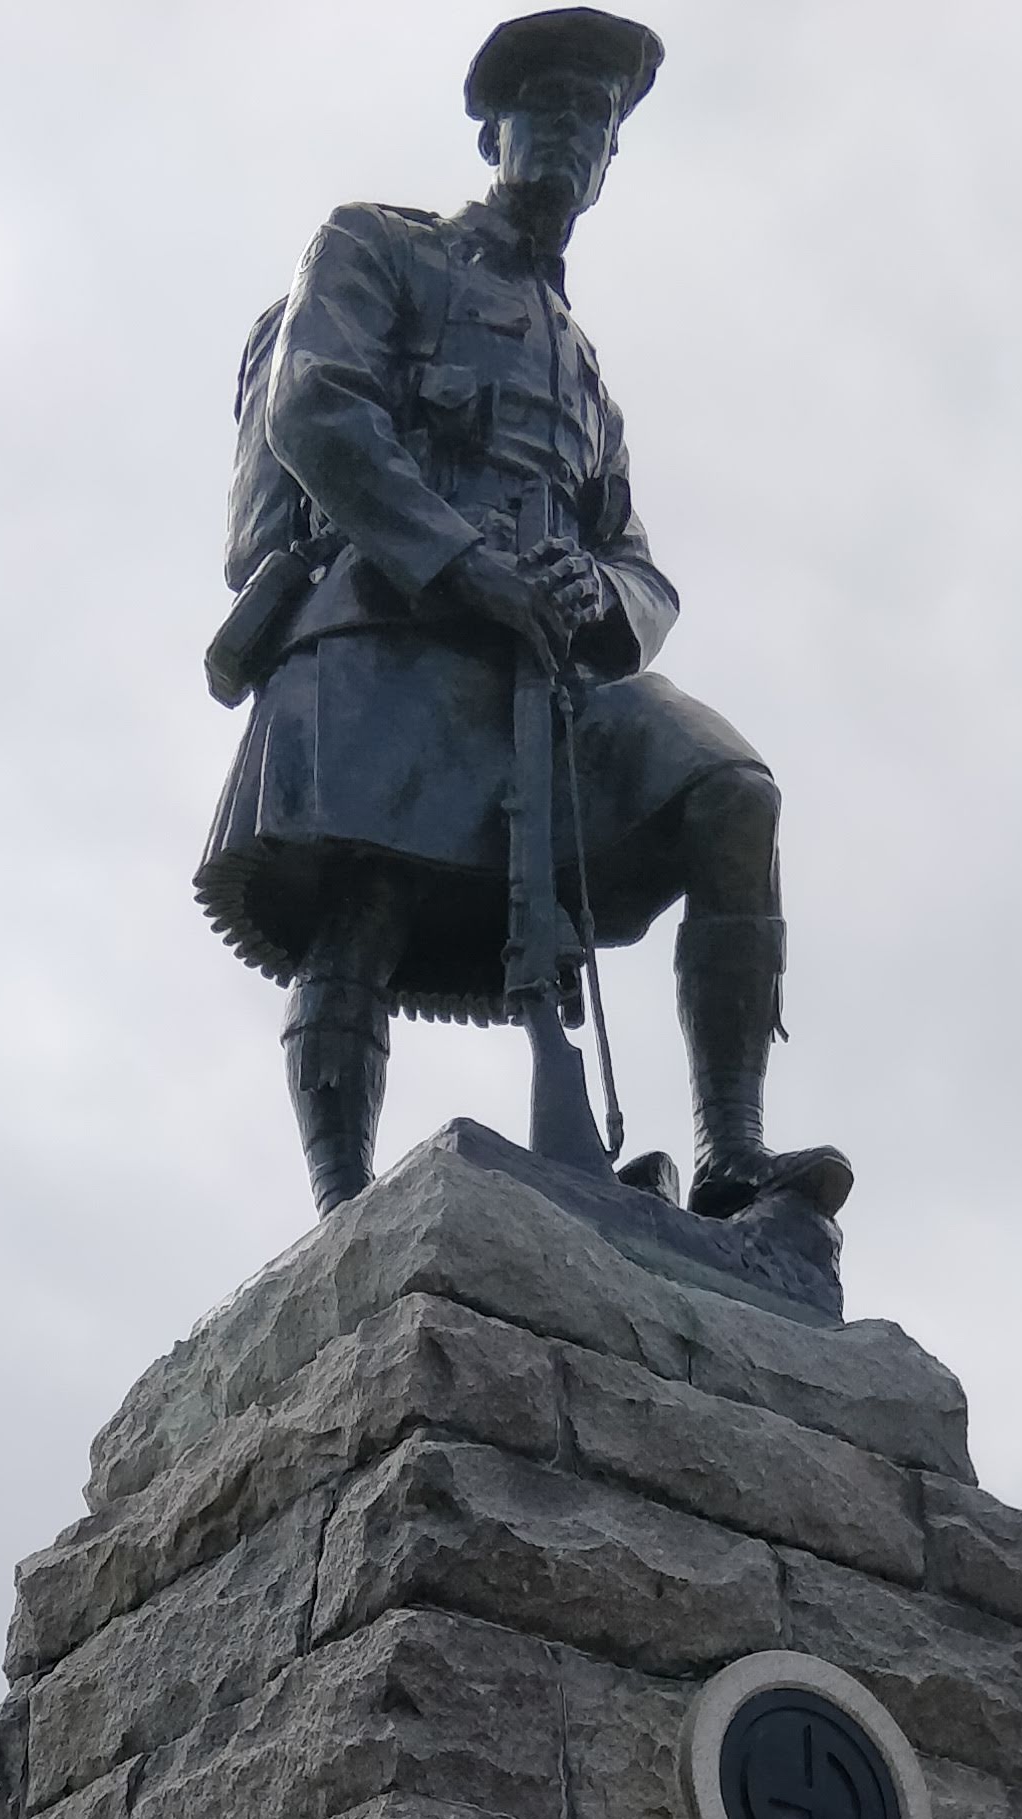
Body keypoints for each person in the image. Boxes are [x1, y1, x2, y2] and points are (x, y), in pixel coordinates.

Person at [196, 10, 849, 1226]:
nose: (570, 132)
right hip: (392, 624)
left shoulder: (583, 369)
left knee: (731, 793)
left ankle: (732, 1150)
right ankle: (347, 1215)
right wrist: (460, 562)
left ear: (611, 159)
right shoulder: (378, 247)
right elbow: (318, 410)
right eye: (546, 107)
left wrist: (598, 597)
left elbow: (638, 561)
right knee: (367, 902)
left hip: (551, 668)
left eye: (594, 118)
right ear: (490, 132)